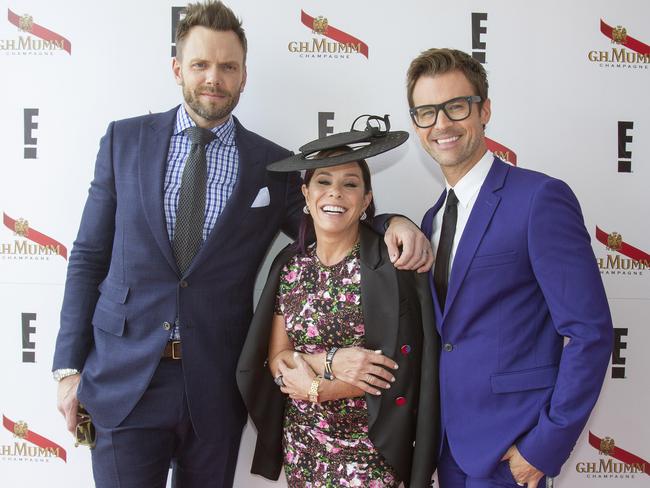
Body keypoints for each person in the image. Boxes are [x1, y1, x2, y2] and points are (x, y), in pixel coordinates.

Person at [51, 2, 431, 487]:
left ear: (244, 75)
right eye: (201, 65)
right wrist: (67, 367)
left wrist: (394, 220)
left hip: (214, 384)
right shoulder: (124, 141)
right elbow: (87, 257)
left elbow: (331, 220)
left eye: (228, 67)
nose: (214, 77)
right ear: (177, 69)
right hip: (124, 380)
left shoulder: (272, 166)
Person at [406, 47, 613, 488]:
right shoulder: (432, 219)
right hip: (447, 451)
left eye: (455, 107)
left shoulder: (539, 199)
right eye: (426, 112)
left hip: (512, 452)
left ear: (484, 111)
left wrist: (543, 447)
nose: (441, 124)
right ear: (416, 124)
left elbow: (589, 332)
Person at [237, 118, 440, 487]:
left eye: (350, 184)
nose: (335, 193)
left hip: (373, 454)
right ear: (306, 195)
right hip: (304, 450)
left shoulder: (390, 263)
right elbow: (276, 359)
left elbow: (399, 368)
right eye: (324, 182)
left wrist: (316, 387)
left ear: (365, 201)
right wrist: (329, 361)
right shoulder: (290, 267)